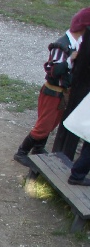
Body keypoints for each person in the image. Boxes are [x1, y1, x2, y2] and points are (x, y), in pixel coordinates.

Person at [14, 8, 90, 166]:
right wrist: (70, 61)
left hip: (62, 93)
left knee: (52, 123)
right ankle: (21, 152)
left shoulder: (76, 45)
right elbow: (53, 70)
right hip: (52, 92)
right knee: (44, 125)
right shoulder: (61, 46)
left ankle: (38, 148)